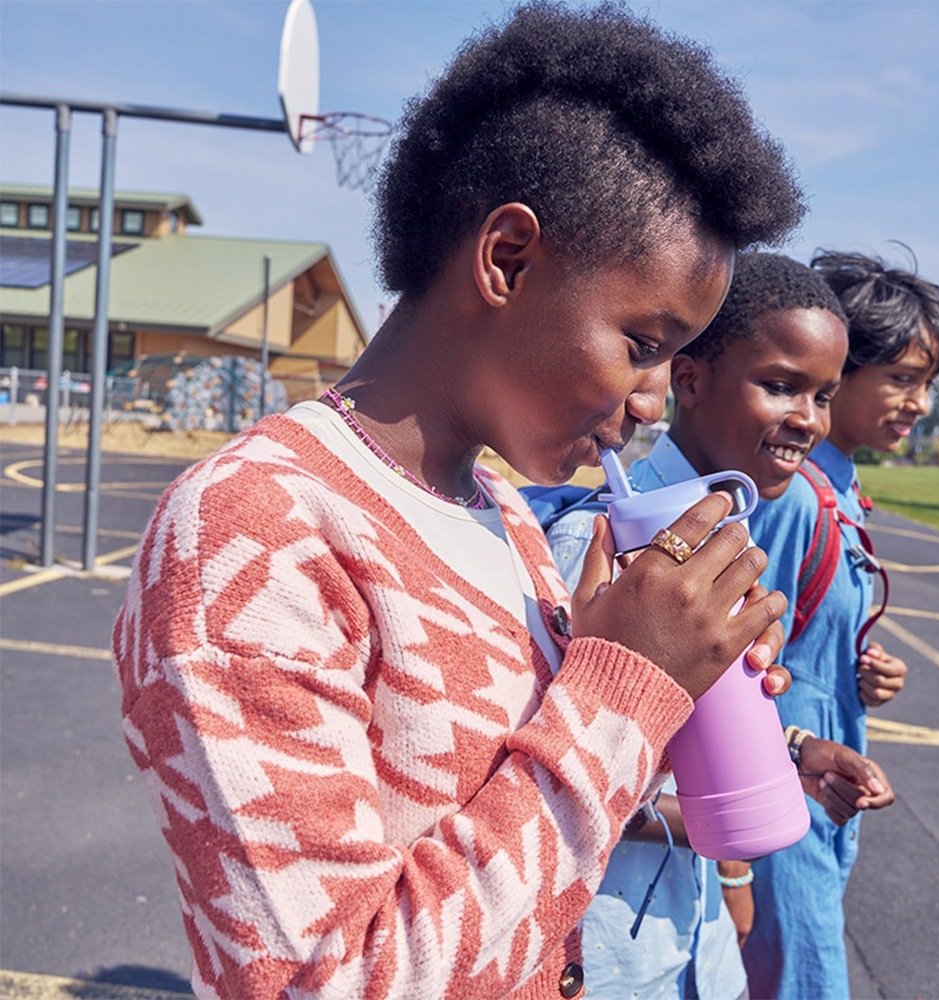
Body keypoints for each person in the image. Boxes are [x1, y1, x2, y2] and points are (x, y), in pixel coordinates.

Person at [111, 6, 807, 998]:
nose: (650, 399)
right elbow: (321, 980)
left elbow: (512, 813)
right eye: (642, 344)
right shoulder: (251, 531)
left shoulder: (499, 509)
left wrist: (681, 708)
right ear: (507, 259)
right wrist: (623, 688)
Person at [533, 252, 896, 1000]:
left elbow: (685, 733)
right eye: (781, 385)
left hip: (694, 953)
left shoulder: (730, 536)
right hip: (607, 961)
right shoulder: (602, 549)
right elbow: (552, 785)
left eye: (824, 395)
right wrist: (729, 828)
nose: (809, 419)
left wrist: (789, 750)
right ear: (689, 380)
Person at [742, 248, 939, 999]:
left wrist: (862, 670)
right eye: (903, 378)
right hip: (788, 777)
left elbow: (809, 635)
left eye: (928, 383)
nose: (921, 403)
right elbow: (744, 661)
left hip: (831, 769)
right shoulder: (793, 493)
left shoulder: (842, 487)